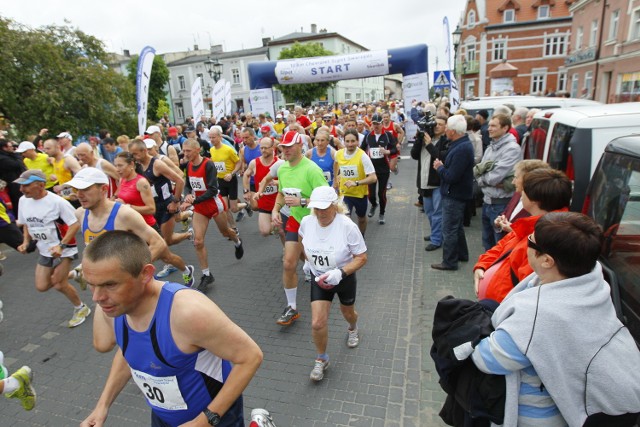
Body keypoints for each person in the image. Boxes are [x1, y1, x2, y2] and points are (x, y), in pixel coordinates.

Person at [469, 212, 640, 426]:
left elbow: (487, 360)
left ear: (547, 260)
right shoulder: (592, 279)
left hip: (540, 418)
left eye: (530, 239)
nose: (526, 240)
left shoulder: (539, 315)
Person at [79, 230, 263, 427]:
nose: (97, 298)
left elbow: (250, 357)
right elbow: (128, 350)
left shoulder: (187, 312)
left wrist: (203, 421)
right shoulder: (114, 307)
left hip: (214, 416)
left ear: (145, 274)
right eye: (91, 285)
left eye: (110, 285)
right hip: (163, 417)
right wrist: (102, 406)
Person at [67, 167, 195, 288]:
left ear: (103, 189)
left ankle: (186, 269)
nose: (79, 194)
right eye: (76, 190)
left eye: (85, 189)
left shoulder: (124, 214)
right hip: (110, 288)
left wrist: (132, 272)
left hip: (144, 227)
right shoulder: (80, 214)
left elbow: (158, 243)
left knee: (167, 257)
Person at [299, 187, 368, 382]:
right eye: (316, 209)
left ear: (335, 206)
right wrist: (307, 261)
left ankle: (353, 327)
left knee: (348, 313)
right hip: (319, 278)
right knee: (317, 322)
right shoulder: (307, 222)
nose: (320, 213)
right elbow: (302, 240)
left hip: (342, 278)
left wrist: (341, 272)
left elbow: (362, 257)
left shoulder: (347, 226)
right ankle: (321, 359)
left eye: (324, 208)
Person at [473, 168, 571, 302]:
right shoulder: (530, 226)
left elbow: (529, 290)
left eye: (523, 191)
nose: (520, 194)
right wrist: (481, 266)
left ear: (534, 200)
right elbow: (501, 247)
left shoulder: (545, 239)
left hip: (504, 311)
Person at [14, 170, 92, 327]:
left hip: (64, 249)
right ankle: (75, 274)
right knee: (41, 286)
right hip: (45, 250)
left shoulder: (58, 202)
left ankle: (81, 308)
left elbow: (74, 224)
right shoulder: (23, 200)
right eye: (21, 186)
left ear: (41, 185)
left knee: (58, 284)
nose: (21, 189)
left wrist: (61, 245)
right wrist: (25, 242)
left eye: (26, 185)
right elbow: (27, 224)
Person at [271, 131, 328, 326]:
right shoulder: (282, 169)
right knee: (288, 263)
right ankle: (292, 307)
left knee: (319, 265)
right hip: (296, 220)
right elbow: (280, 194)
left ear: (300, 147)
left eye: (289, 146)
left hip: (315, 222)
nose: (285, 150)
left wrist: (302, 200)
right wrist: (275, 210)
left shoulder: (312, 169)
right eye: (283, 147)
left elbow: (328, 198)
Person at [180, 139, 244, 292]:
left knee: (225, 232)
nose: (185, 153)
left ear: (198, 150)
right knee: (198, 241)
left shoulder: (208, 164)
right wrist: (188, 195)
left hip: (214, 204)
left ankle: (237, 241)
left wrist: (194, 200)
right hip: (200, 208)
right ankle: (206, 274)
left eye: (188, 151)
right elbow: (188, 184)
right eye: (184, 150)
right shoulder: (189, 165)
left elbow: (213, 190)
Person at [431, 115, 475, 271]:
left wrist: (440, 167)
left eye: (447, 128)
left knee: (449, 229)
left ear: (453, 131)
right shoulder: (459, 144)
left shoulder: (462, 149)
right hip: (456, 193)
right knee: (456, 227)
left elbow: (452, 177)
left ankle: (449, 261)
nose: (445, 131)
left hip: (454, 194)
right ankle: (462, 254)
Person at [476, 114, 521, 251]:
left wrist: (483, 178)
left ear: (505, 128)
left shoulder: (512, 149)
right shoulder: (491, 147)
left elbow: (494, 177)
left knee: (499, 246)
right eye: (489, 125)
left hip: (501, 204)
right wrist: (483, 177)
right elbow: (478, 171)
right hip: (487, 201)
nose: (489, 128)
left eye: (494, 126)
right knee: (487, 244)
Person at [411, 115, 449, 251]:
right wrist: (418, 139)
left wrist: (429, 145)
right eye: (435, 124)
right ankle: (436, 233)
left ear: (446, 127)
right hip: (424, 181)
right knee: (429, 211)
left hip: (438, 182)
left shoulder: (446, 141)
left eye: (440, 124)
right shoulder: (425, 138)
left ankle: (437, 239)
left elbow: (442, 156)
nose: (436, 126)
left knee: (438, 213)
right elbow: (414, 155)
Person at [333, 129, 377, 236]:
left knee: (361, 219)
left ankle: (361, 236)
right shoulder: (338, 154)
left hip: (359, 194)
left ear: (357, 142)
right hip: (345, 193)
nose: (350, 144)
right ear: (344, 142)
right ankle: (348, 242)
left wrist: (356, 183)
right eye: (347, 141)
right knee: (345, 219)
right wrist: (335, 178)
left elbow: (373, 178)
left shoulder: (362, 156)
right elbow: (336, 164)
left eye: (353, 141)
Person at [360, 113, 398, 224]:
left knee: (381, 193)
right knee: (371, 194)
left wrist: (388, 152)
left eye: (378, 124)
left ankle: (382, 213)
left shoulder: (387, 135)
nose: (376, 126)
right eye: (374, 124)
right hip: (371, 170)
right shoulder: (368, 136)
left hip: (384, 169)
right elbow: (361, 150)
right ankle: (374, 204)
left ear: (382, 124)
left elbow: (395, 149)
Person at [209, 127, 247, 234]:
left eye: (214, 137)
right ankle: (234, 228)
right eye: (210, 137)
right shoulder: (211, 150)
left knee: (234, 208)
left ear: (220, 137)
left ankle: (246, 205)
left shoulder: (228, 149)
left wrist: (231, 173)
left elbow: (238, 163)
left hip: (231, 180)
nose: (211, 140)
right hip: (220, 181)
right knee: (225, 208)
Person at [244, 137, 280, 238]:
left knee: (282, 231)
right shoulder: (254, 163)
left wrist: (276, 182)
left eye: (266, 148)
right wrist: (246, 191)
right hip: (264, 202)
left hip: (278, 202)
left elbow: (288, 181)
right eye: (261, 148)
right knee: (264, 232)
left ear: (272, 148)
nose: (263, 150)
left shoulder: (279, 163)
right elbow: (246, 175)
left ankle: (285, 248)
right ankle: (276, 227)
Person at [112, 152, 159, 229]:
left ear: (131, 165)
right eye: (115, 166)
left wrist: (127, 206)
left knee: (169, 239)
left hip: (146, 227)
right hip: (130, 227)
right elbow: (118, 196)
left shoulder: (141, 182)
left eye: (120, 165)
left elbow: (151, 209)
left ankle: (186, 234)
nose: (117, 169)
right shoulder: (122, 179)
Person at [0, 139, 27, 216]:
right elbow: (18, 164)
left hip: (16, 183)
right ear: (4, 148)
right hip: (13, 186)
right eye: (11, 146)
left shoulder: (8, 156)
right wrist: (17, 154)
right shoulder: (3, 159)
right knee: (18, 205)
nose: (13, 148)